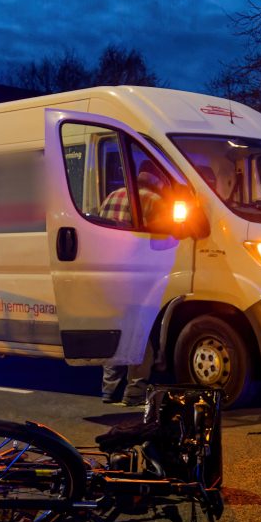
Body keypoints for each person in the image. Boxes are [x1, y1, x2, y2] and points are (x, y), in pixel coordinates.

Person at [100, 162, 165, 406]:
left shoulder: (113, 196)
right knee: (140, 334)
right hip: (137, 276)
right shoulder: (155, 201)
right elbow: (163, 240)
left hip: (110, 274)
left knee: (116, 330)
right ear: (158, 178)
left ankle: (109, 389)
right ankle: (134, 391)